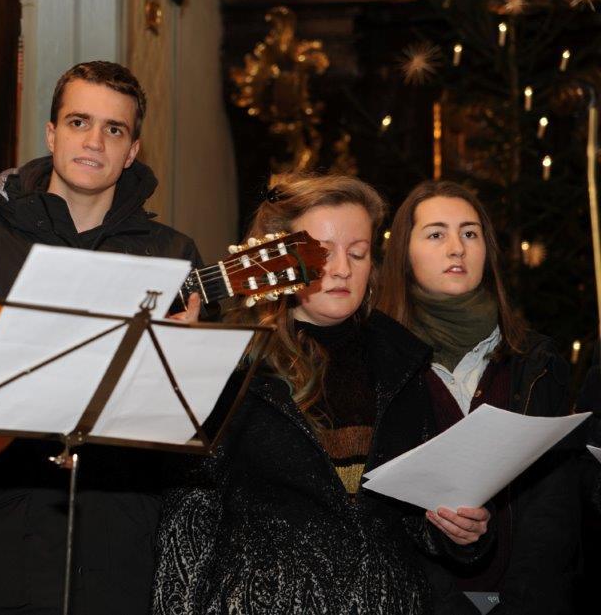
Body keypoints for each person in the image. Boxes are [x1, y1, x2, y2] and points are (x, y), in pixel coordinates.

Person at [152, 174, 491, 615]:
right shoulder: (233, 366)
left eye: (358, 253)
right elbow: (189, 520)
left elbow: (418, 516)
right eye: (323, 252)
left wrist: (458, 532)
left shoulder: (401, 362)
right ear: (279, 258)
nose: (342, 269)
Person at [0, 61, 202, 615]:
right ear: (51, 133)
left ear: (132, 151)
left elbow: (190, 421)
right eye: (78, 122)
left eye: (114, 129)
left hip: (117, 528)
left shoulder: (172, 256)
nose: (94, 142)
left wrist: (188, 359)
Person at [376, 180, 579, 614]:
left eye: (470, 233)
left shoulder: (536, 362)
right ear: (404, 255)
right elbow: (381, 519)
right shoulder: (377, 363)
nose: (457, 248)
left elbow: (553, 508)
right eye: (436, 234)